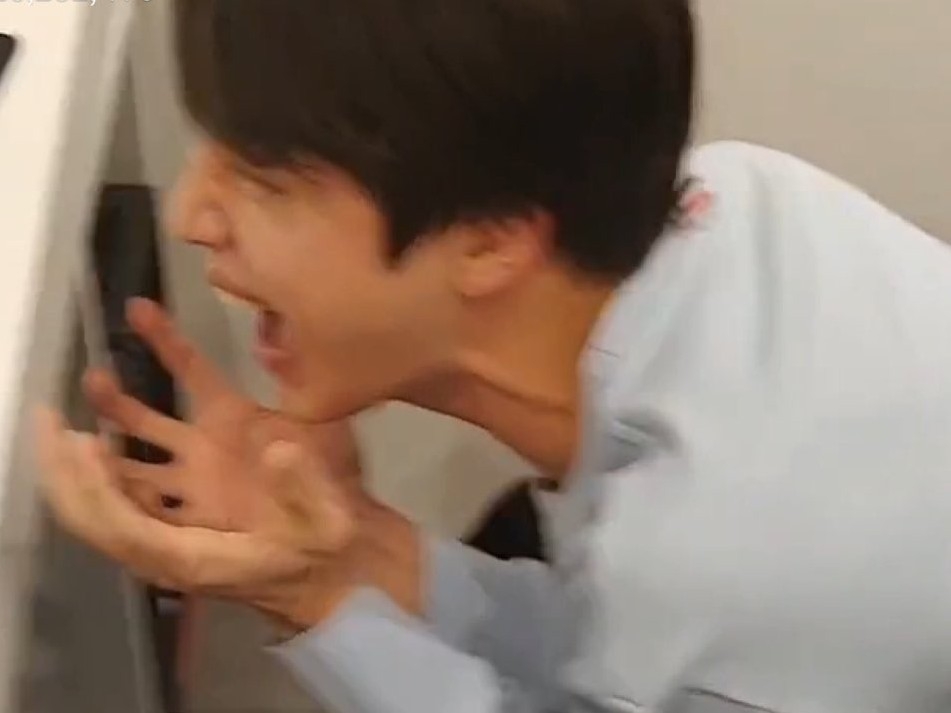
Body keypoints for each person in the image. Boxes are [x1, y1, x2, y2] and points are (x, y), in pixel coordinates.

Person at [35, 1, 951, 711]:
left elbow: (690, 628)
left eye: (264, 180)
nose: (188, 214)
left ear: (492, 239)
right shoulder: (740, 195)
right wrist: (356, 555)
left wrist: (318, 598)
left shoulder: (731, 569)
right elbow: (623, 645)